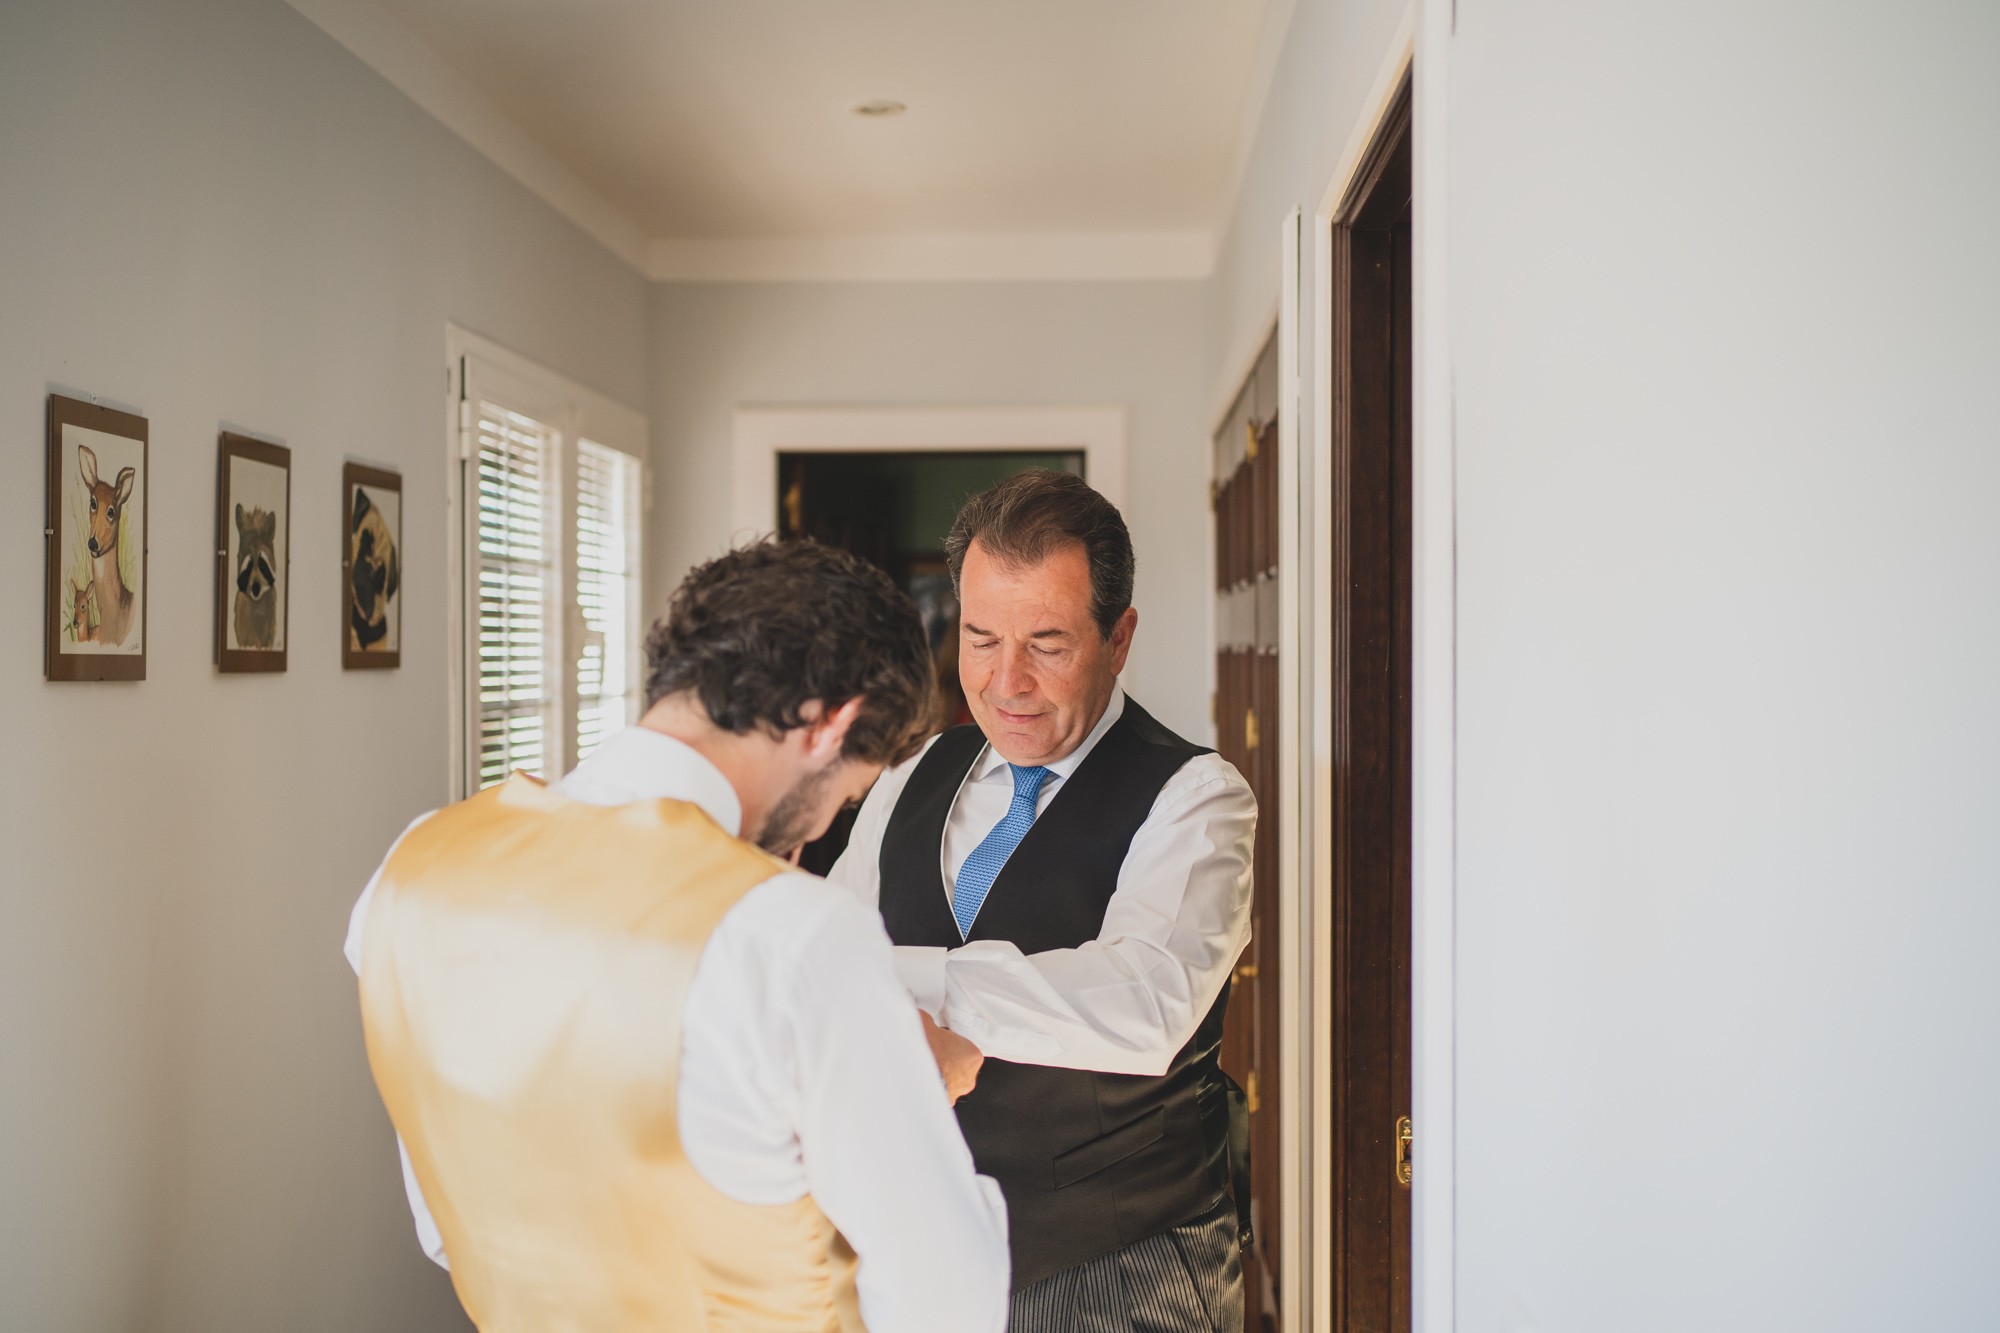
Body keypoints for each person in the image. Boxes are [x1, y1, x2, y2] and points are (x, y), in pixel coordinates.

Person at [345, 539, 1009, 1332]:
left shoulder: (413, 867)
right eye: (849, 794)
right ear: (834, 725)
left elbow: (452, 1222)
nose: (824, 827)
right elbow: (946, 1299)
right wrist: (908, 1083)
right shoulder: (787, 934)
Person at [829, 470, 1257, 1332]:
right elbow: (832, 961)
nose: (1006, 680)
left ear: (1120, 636)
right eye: (981, 638)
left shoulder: (1196, 796)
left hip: (1118, 1265)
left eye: (1048, 643)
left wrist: (901, 979)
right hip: (916, 1256)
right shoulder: (912, 774)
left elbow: (1148, 999)